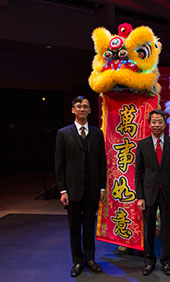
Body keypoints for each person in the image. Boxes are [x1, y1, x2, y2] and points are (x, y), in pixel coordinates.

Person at [55, 96, 106, 277]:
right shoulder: (63, 133)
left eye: (85, 106)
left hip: (92, 189)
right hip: (73, 189)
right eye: (78, 106)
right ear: (73, 110)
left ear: (90, 110)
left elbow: (102, 162)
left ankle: (90, 258)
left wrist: (102, 188)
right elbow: (59, 164)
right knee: (74, 227)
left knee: (90, 226)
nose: (82, 109)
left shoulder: (97, 133)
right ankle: (77, 261)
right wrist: (62, 190)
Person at [135, 109, 170, 276]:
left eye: (160, 122)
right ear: (149, 124)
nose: (157, 125)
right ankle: (149, 261)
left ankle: (166, 261)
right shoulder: (142, 144)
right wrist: (139, 196)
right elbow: (138, 172)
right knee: (148, 228)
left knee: (167, 228)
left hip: (169, 193)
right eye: (154, 122)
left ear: (165, 123)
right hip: (148, 193)